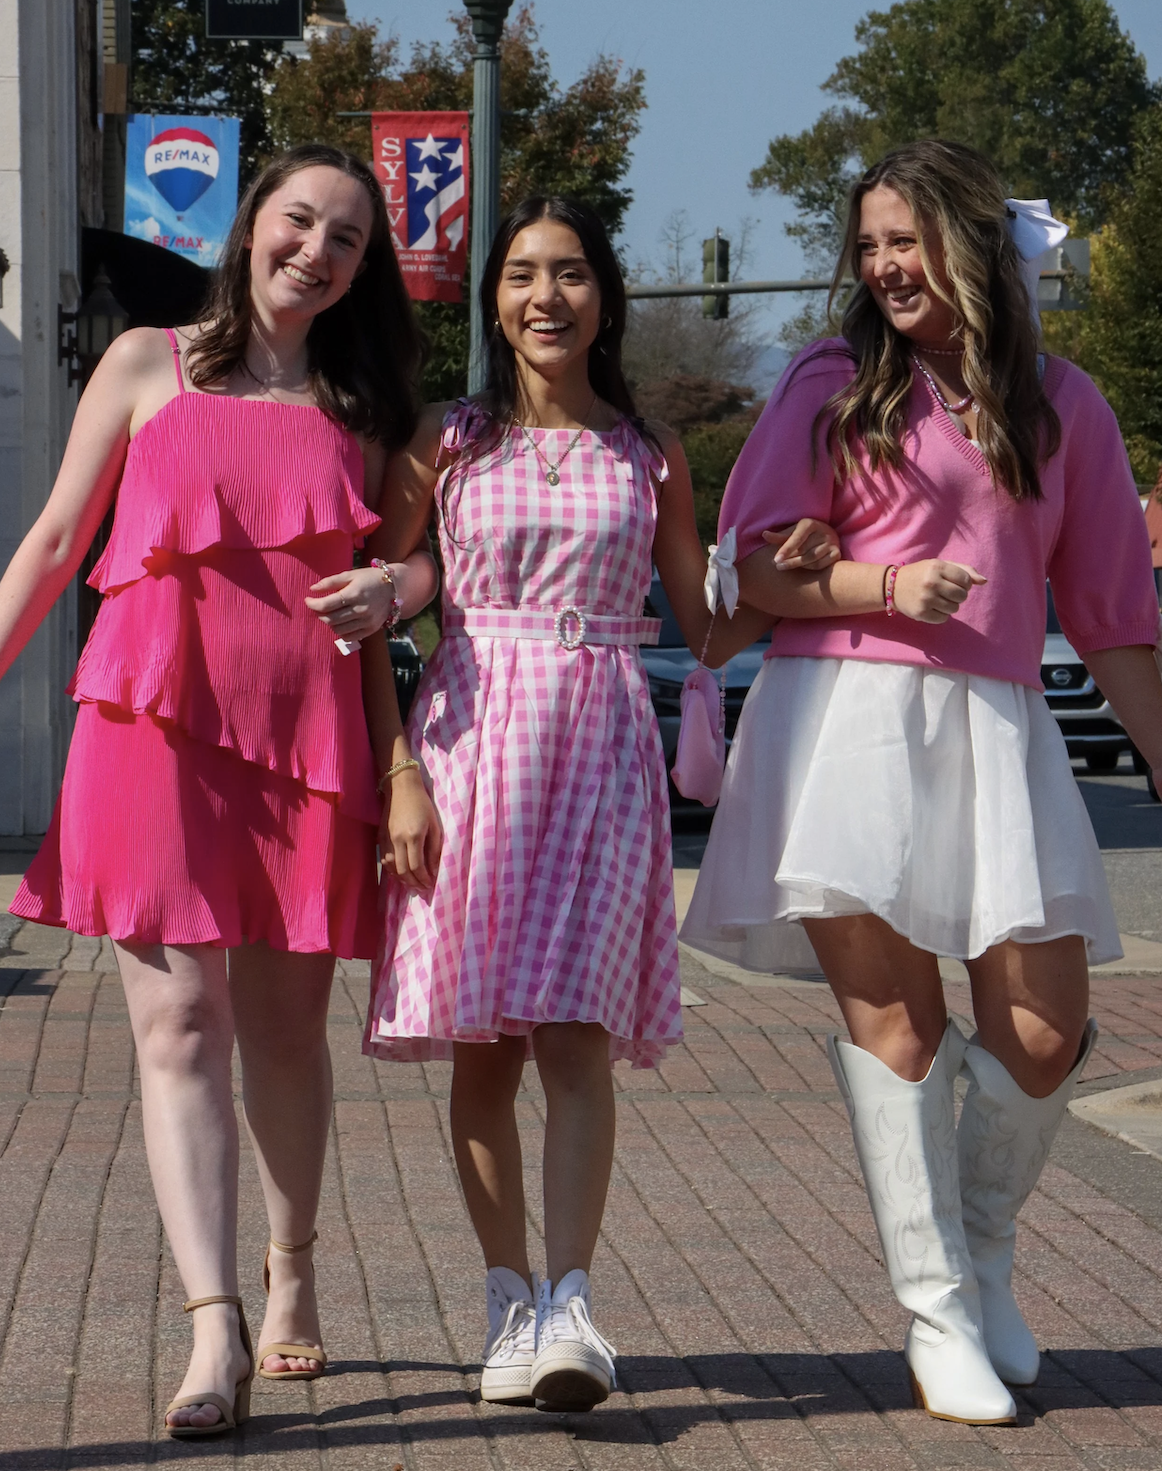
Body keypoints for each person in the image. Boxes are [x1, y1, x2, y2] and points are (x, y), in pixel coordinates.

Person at [681, 139, 1162, 1426]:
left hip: (999, 731)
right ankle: (936, 1306)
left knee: (1046, 1031)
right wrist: (855, 575)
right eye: (872, 244)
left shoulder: (1067, 404)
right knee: (894, 1028)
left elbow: (1114, 614)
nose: (886, 265)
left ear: (972, 249)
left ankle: (983, 1254)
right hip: (845, 719)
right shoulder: (832, 384)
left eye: (909, 239)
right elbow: (750, 575)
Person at [357, 196, 838, 1413]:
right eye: (520, 275)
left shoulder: (651, 452)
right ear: (494, 301)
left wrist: (798, 573)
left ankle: (571, 1302)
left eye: (569, 274)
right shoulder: (444, 439)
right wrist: (400, 771)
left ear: (606, 299)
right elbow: (394, 599)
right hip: (471, 741)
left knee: (573, 1036)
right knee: (484, 1046)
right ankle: (505, 1297)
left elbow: (706, 621)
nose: (545, 296)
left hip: (602, 744)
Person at [4, 145, 437, 1438]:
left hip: (309, 738)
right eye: (300, 220)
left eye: (347, 239)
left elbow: (428, 568)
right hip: (148, 726)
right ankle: (214, 1325)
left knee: (285, 1035)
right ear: (254, 225)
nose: (316, 249)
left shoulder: (367, 409)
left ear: (363, 270)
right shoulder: (145, 362)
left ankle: (291, 1264)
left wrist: (397, 594)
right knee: (176, 1029)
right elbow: (50, 543)